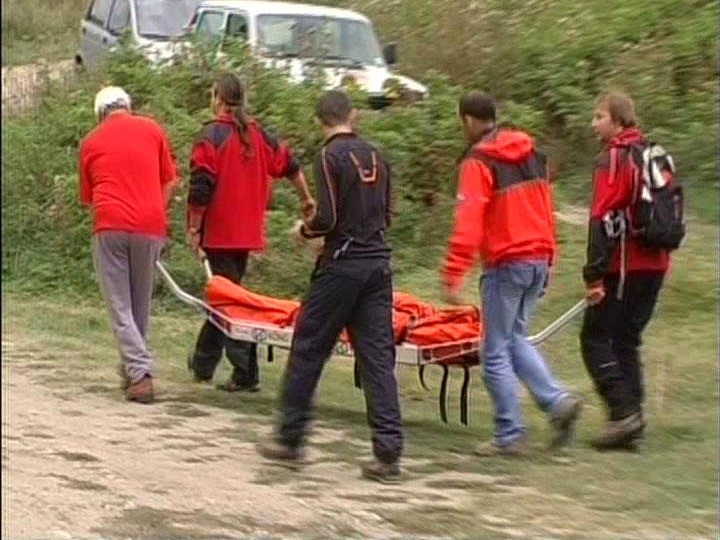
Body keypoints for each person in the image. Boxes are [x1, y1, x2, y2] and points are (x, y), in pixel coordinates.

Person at [258, 90, 404, 484]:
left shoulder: (329, 157)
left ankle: (290, 438)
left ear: (319, 121)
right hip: (377, 263)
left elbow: (328, 217)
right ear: (352, 115)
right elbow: (388, 212)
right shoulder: (377, 155)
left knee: (308, 346)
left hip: (341, 265)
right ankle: (388, 453)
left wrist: (305, 231)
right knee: (377, 358)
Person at [440, 91, 582, 456]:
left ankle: (510, 434)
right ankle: (557, 402)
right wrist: (549, 259)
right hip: (537, 258)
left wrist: (453, 274)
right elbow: (545, 209)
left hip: (506, 263)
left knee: (494, 352)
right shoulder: (532, 154)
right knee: (514, 338)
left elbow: (469, 219)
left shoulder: (478, 161)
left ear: (467, 120)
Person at [186, 73, 315, 392]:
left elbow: (201, 187)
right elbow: (292, 166)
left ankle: (245, 372)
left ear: (217, 98)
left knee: (228, 303)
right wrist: (306, 199)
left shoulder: (212, 136)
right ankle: (202, 363)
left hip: (219, 233)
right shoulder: (259, 135)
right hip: (246, 234)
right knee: (223, 297)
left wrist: (193, 228)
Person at [581, 92, 670, 450]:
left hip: (624, 265)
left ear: (618, 122)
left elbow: (600, 218)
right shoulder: (653, 153)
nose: (593, 124)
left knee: (594, 339)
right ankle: (633, 421)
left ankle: (623, 412)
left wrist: (594, 275)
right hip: (657, 262)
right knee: (626, 340)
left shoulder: (615, 158)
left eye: (599, 116)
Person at [79, 86, 178, 404]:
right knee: (139, 304)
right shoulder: (153, 129)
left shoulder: (90, 141)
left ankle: (140, 375)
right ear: (128, 106)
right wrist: (155, 211)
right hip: (151, 224)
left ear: (100, 113)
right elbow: (169, 180)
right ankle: (133, 367)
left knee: (120, 305)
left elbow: (88, 197)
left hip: (110, 224)